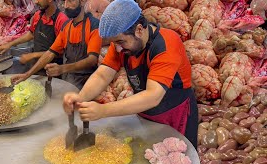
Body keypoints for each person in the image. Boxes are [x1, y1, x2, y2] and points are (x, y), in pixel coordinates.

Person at [63, 0, 198, 148]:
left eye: (121, 42)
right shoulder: (121, 45)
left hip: (174, 116)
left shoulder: (167, 44)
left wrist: (103, 110)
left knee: (176, 162)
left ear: (139, 30)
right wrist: (81, 98)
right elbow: (102, 75)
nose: (118, 49)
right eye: (115, 43)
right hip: (144, 112)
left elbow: (153, 96)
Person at [11, 0, 102, 89]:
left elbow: (92, 60)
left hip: (87, 82)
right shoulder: (67, 26)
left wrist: (62, 69)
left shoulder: (94, 25)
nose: (66, 6)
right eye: (64, 1)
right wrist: (26, 75)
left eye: (70, 1)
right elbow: (50, 52)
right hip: (68, 79)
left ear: (82, 1)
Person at [0, 0, 69, 75]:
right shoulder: (38, 15)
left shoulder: (62, 20)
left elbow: (60, 52)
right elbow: (32, 34)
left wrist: (33, 55)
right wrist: (10, 44)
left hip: (51, 71)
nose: (36, 2)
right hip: (35, 67)